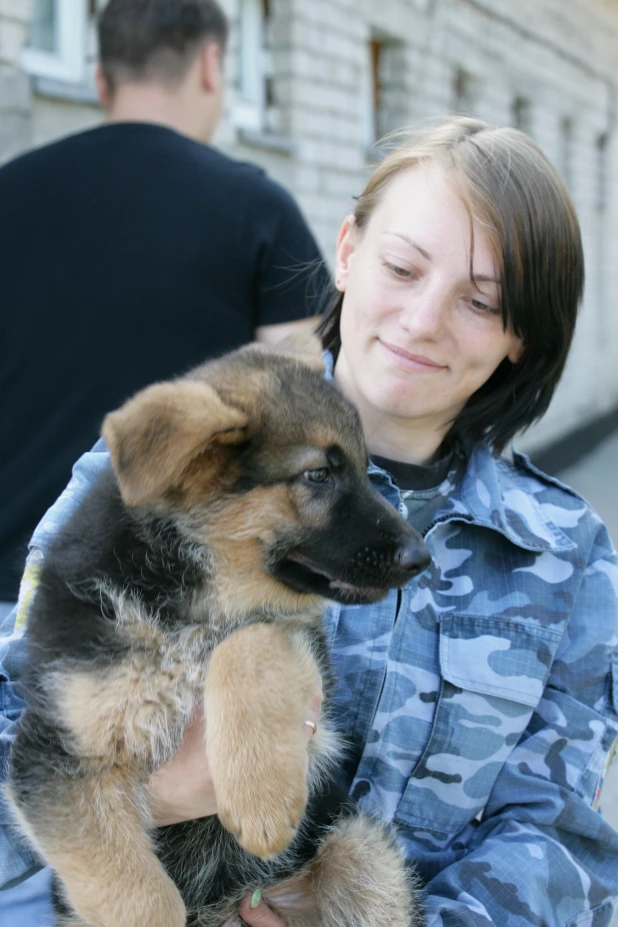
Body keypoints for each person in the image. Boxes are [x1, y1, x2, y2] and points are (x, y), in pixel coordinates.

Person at [2, 117, 618, 927]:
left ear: (519, 336)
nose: (424, 318)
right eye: (402, 266)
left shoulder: (565, 556)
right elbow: (19, 725)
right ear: (349, 251)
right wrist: (159, 791)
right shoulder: (167, 467)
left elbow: (558, 838)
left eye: (481, 300)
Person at [0, 0, 329, 622]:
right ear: (211, 64)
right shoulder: (258, 211)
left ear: (102, 80)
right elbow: (310, 414)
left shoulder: (8, 193)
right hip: (159, 617)